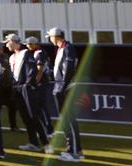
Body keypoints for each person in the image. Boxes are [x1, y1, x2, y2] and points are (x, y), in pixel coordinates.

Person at [4, 34, 52, 154]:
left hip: (26, 88)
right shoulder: (11, 57)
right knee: (25, 117)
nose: (6, 45)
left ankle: (46, 144)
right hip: (17, 88)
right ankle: (33, 143)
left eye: (7, 42)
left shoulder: (26, 52)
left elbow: (33, 69)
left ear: (13, 41)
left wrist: (28, 84)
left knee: (33, 115)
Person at [48, 27, 84, 162]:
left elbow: (69, 69)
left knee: (68, 119)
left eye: (50, 36)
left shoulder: (68, 47)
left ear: (55, 36)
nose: (49, 39)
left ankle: (73, 152)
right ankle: (76, 150)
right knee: (67, 119)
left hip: (65, 87)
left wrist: (62, 86)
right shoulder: (62, 48)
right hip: (62, 86)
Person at [25, 36, 54, 137]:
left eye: (30, 44)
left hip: (42, 82)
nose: (28, 46)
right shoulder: (39, 52)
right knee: (40, 107)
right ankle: (47, 128)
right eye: (28, 44)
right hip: (42, 81)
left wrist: (36, 82)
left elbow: (40, 70)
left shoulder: (40, 53)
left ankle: (48, 129)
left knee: (42, 107)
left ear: (35, 44)